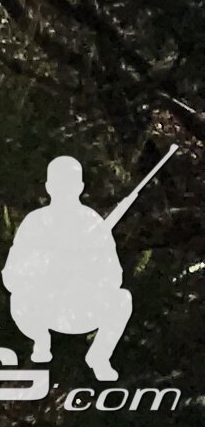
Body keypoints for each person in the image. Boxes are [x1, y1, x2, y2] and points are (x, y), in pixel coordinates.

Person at [7, 155, 138, 382]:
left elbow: (114, 277)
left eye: (69, 184)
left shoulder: (93, 223)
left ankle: (99, 356)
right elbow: (11, 275)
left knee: (122, 299)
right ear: (49, 187)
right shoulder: (35, 222)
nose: (64, 190)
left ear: (80, 187)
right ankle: (40, 340)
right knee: (18, 299)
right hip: (45, 308)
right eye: (59, 184)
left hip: (82, 308)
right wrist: (46, 273)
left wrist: (87, 270)